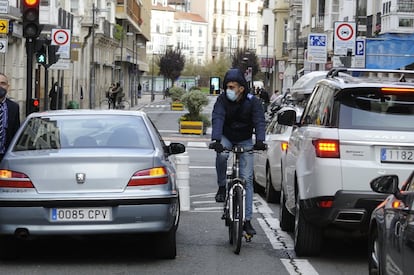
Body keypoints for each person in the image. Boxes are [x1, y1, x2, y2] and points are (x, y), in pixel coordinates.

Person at [209, 68, 267, 236]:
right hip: (227, 136)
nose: (229, 90)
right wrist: (217, 140)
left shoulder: (253, 102)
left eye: (232, 87)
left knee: (247, 180)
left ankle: (247, 221)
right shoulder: (222, 100)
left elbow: (259, 121)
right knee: (222, 155)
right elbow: (218, 117)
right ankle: (221, 186)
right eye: (227, 86)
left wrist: (260, 141)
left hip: (245, 139)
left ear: (241, 88)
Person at [0, 73, 20, 161]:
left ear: (8, 87)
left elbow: (15, 131)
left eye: (3, 83)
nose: (0, 86)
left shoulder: (14, 107)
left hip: (5, 156)